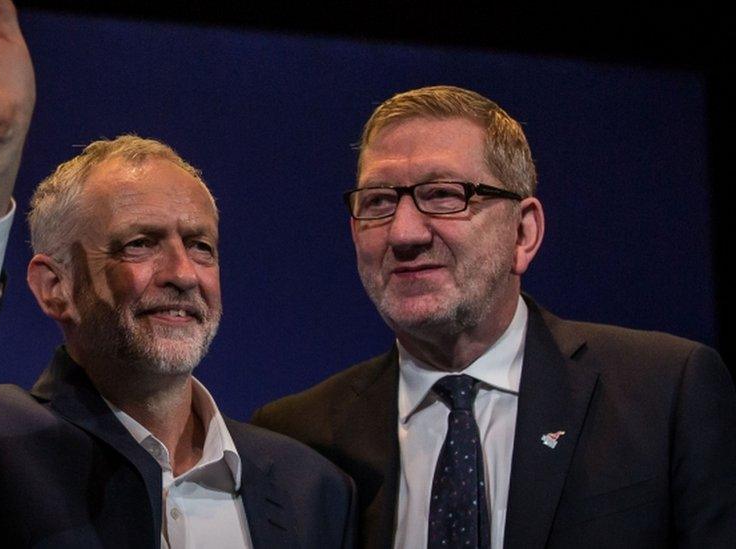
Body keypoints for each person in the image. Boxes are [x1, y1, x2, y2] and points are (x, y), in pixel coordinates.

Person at [0, 1, 354, 547]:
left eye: (201, 246)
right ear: (56, 288)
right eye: (140, 244)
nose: (182, 273)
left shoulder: (312, 487)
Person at [252, 85, 736, 548]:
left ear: (523, 233)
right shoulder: (298, 436)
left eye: (443, 194)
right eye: (378, 202)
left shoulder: (663, 390)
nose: (403, 233)